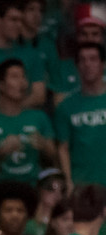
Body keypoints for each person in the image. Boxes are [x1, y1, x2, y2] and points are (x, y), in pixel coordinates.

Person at [0, 59, 56, 186]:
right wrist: (0, 152)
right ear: (1, 85)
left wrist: (43, 144)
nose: (22, 83)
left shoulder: (39, 117)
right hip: (2, 187)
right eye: (15, 77)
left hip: (33, 187)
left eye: (24, 76)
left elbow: (53, 154)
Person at [55, 42, 106, 190]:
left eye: (93, 59)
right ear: (77, 66)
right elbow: (63, 148)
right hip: (82, 185)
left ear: (103, 64)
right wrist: (68, 181)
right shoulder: (65, 106)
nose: (87, 64)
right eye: (82, 60)